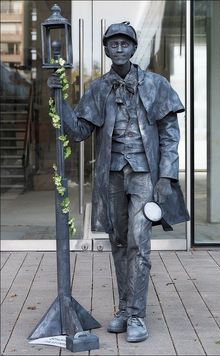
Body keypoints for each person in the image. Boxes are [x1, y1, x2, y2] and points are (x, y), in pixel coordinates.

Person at [48, 22, 189, 343]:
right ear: (107, 49)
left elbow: (170, 134)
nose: (120, 48)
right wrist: (57, 96)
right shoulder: (98, 89)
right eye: (114, 44)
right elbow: (78, 131)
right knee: (119, 241)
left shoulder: (156, 84)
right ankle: (125, 308)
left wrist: (167, 175)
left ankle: (137, 314)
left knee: (140, 241)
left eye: (125, 43)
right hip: (111, 175)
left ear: (134, 47)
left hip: (144, 175)